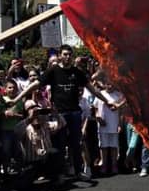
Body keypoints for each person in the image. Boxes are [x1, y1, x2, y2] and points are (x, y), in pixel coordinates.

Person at [15, 45, 117, 182]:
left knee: (76, 144)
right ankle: (60, 174)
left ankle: (78, 172)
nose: (67, 57)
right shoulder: (53, 71)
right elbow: (35, 85)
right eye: (65, 54)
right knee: (60, 145)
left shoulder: (77, 72)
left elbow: (93, 89)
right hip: (60, 114)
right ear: (59, 56)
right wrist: (16, 99)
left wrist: (107, 101)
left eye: (69, 54)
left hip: (75, 112)